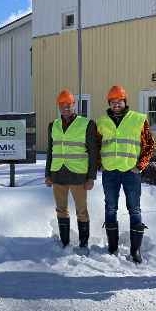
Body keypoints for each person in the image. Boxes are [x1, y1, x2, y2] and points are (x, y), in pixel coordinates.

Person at [96, 85, 155, 263]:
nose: (116, 105)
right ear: (109, 103)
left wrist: (140, 166)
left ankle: (135, 251)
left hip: (131, 172)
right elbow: (96, 145)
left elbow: (149, 145)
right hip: (110, 172)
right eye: (113, 102)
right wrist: (101, 165)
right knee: (110, 208)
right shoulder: (101, 121)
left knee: (134, 209)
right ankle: (112, 247)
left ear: (125, 101)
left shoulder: (138, 119)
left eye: (119, 101)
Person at [45, 89, 98, 254]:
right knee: (61, 210)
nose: (65, 108)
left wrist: (91, 177)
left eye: (68, 105)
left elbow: (93, 152)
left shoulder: (87, 124)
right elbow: (50, 151)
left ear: (74, 105)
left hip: (78, 175)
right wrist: (48, 174)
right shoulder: (53, 125)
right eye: (62, 105)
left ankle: (83, 244)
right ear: (58, 106)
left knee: (81, 211)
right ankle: (65, 242)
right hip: (58, 174)